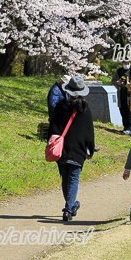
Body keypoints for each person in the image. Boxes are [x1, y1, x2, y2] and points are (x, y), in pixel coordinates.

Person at [48, 75, 95, 221]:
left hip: (61, 149)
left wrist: (50, 141)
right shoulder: (85, 109)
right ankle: (69, 209)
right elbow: (89, 132)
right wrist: (90, 149)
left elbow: (53, 127)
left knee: (65, 178)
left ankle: (71, 204)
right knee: (74, 179)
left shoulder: (61, 107)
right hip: (78, 150)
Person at [113, 61, 131, 135]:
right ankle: (125, 127)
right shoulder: (119, 71)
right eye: (124, 63)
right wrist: (117, 83)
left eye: (127, 63)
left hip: (130, 94)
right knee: (122, 110)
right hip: (121, 93)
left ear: (130, 63)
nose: (126, 65)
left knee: (129, 112)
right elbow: (113, 80)